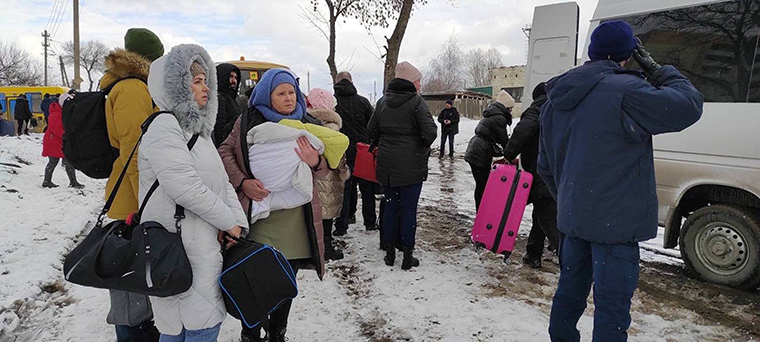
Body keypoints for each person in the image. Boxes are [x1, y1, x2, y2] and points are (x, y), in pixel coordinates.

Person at [539, 21, 703, 342]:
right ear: (630, 55)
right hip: (615, 225)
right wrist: (658, 70)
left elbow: (546, 166)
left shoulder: (554, 99)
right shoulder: (626, 91)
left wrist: (572, 200)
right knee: (612, 307)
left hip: (574, 220)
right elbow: (688, 106)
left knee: (569, 294)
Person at [219, 68, 327, 342]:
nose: (289, 98)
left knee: (284, 280)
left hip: (296, 220)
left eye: (292, 92)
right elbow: (224, 152)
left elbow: (332, 166)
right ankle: (251, 333)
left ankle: (278, 332)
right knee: (256, 277)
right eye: (281, 93)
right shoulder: (246, 121)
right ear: (267, 95)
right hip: (261, 217)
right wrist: (243, 182)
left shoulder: (307, 121)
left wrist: (315, 162)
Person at [101, 27, 164, 342]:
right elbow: (134, 149)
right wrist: (148, 199)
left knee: (137, 280)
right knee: (128, 286)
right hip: (133, 199)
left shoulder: (134, 87)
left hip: (135, 196)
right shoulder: (132, 89)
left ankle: (139, 332)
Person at [368, 61, 437, 270]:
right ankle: (407, 255)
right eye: (418, 81)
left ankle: (389, 252)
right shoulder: (417, 103)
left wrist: (386, 140)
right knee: (408, 210)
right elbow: (430, 133)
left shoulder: (382, 102)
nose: (419, 85)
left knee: (390, 206)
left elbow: (371, 130)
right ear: (411, 82)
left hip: (387, 165)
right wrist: (419, 145)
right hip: (411, 166)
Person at [502, 83, 557, 269]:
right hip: (557, 173)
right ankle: (533, 254)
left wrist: (509, 154)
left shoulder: (538, 109)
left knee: (549, 219)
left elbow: (523, 130)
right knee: (541, 213)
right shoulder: (559, 109)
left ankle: (573, 264)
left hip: (542, 172)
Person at [333, 71, 377, 234]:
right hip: (363, 150)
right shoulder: (363, 102)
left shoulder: (333, 102)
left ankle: (342, 224)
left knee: (345, 189)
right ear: (351, 82)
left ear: (337, 82)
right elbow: (373, 125)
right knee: (367, 189)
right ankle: (370, 222)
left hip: (341, 151)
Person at [308, 88, 349, 261]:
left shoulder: (306, 124)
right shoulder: (332, 127)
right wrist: (344, 171)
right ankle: (325, 247)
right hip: (328, 177)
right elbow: (338, 155)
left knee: (313, 213)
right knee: (326, 215)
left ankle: (313, 246)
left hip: (310, 176)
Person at [464, 90, 514, 211]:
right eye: (510, 108)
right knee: (483, 185)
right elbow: (503, 140)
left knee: (481, 184)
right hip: (480, 153)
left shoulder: (492, 114)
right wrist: (511, 155)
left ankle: (481, 210)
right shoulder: (499, 118)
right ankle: (482, 211)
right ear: (506, 107)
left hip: (475, 149)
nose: (511, 111)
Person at [41, 94, 84, 189]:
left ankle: (73, 182)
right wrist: (67, 136)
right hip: (53, 141)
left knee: (67, 162)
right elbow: (57, 129)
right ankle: (47, 181)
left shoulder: (63, 112)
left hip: (60, 141)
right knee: (53, 162)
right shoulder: (55, 114)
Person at [213, 63, 242, 147]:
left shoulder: (231, 98)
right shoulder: (220, 99)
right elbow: (219, 134)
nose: (234, 81)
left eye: (236, 77)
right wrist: (239, 120)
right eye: (231, 76)